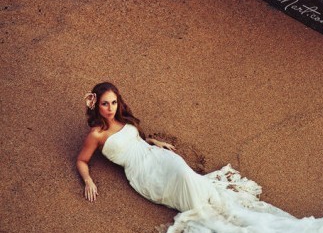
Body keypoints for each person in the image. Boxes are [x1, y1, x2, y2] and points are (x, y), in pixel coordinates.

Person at [76, 82, 223, 212]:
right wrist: (88, 181)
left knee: (184, 172)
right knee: (183, 184)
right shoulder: (96, 134)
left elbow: (133, 140)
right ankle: (206, 215)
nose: (110, 108)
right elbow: (81, 160)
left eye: (114, 102)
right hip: (142, 171)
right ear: (96, 105)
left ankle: (216, 208)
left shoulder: (121, 117)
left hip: (156, 155)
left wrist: (152, 141)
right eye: (105, 103)